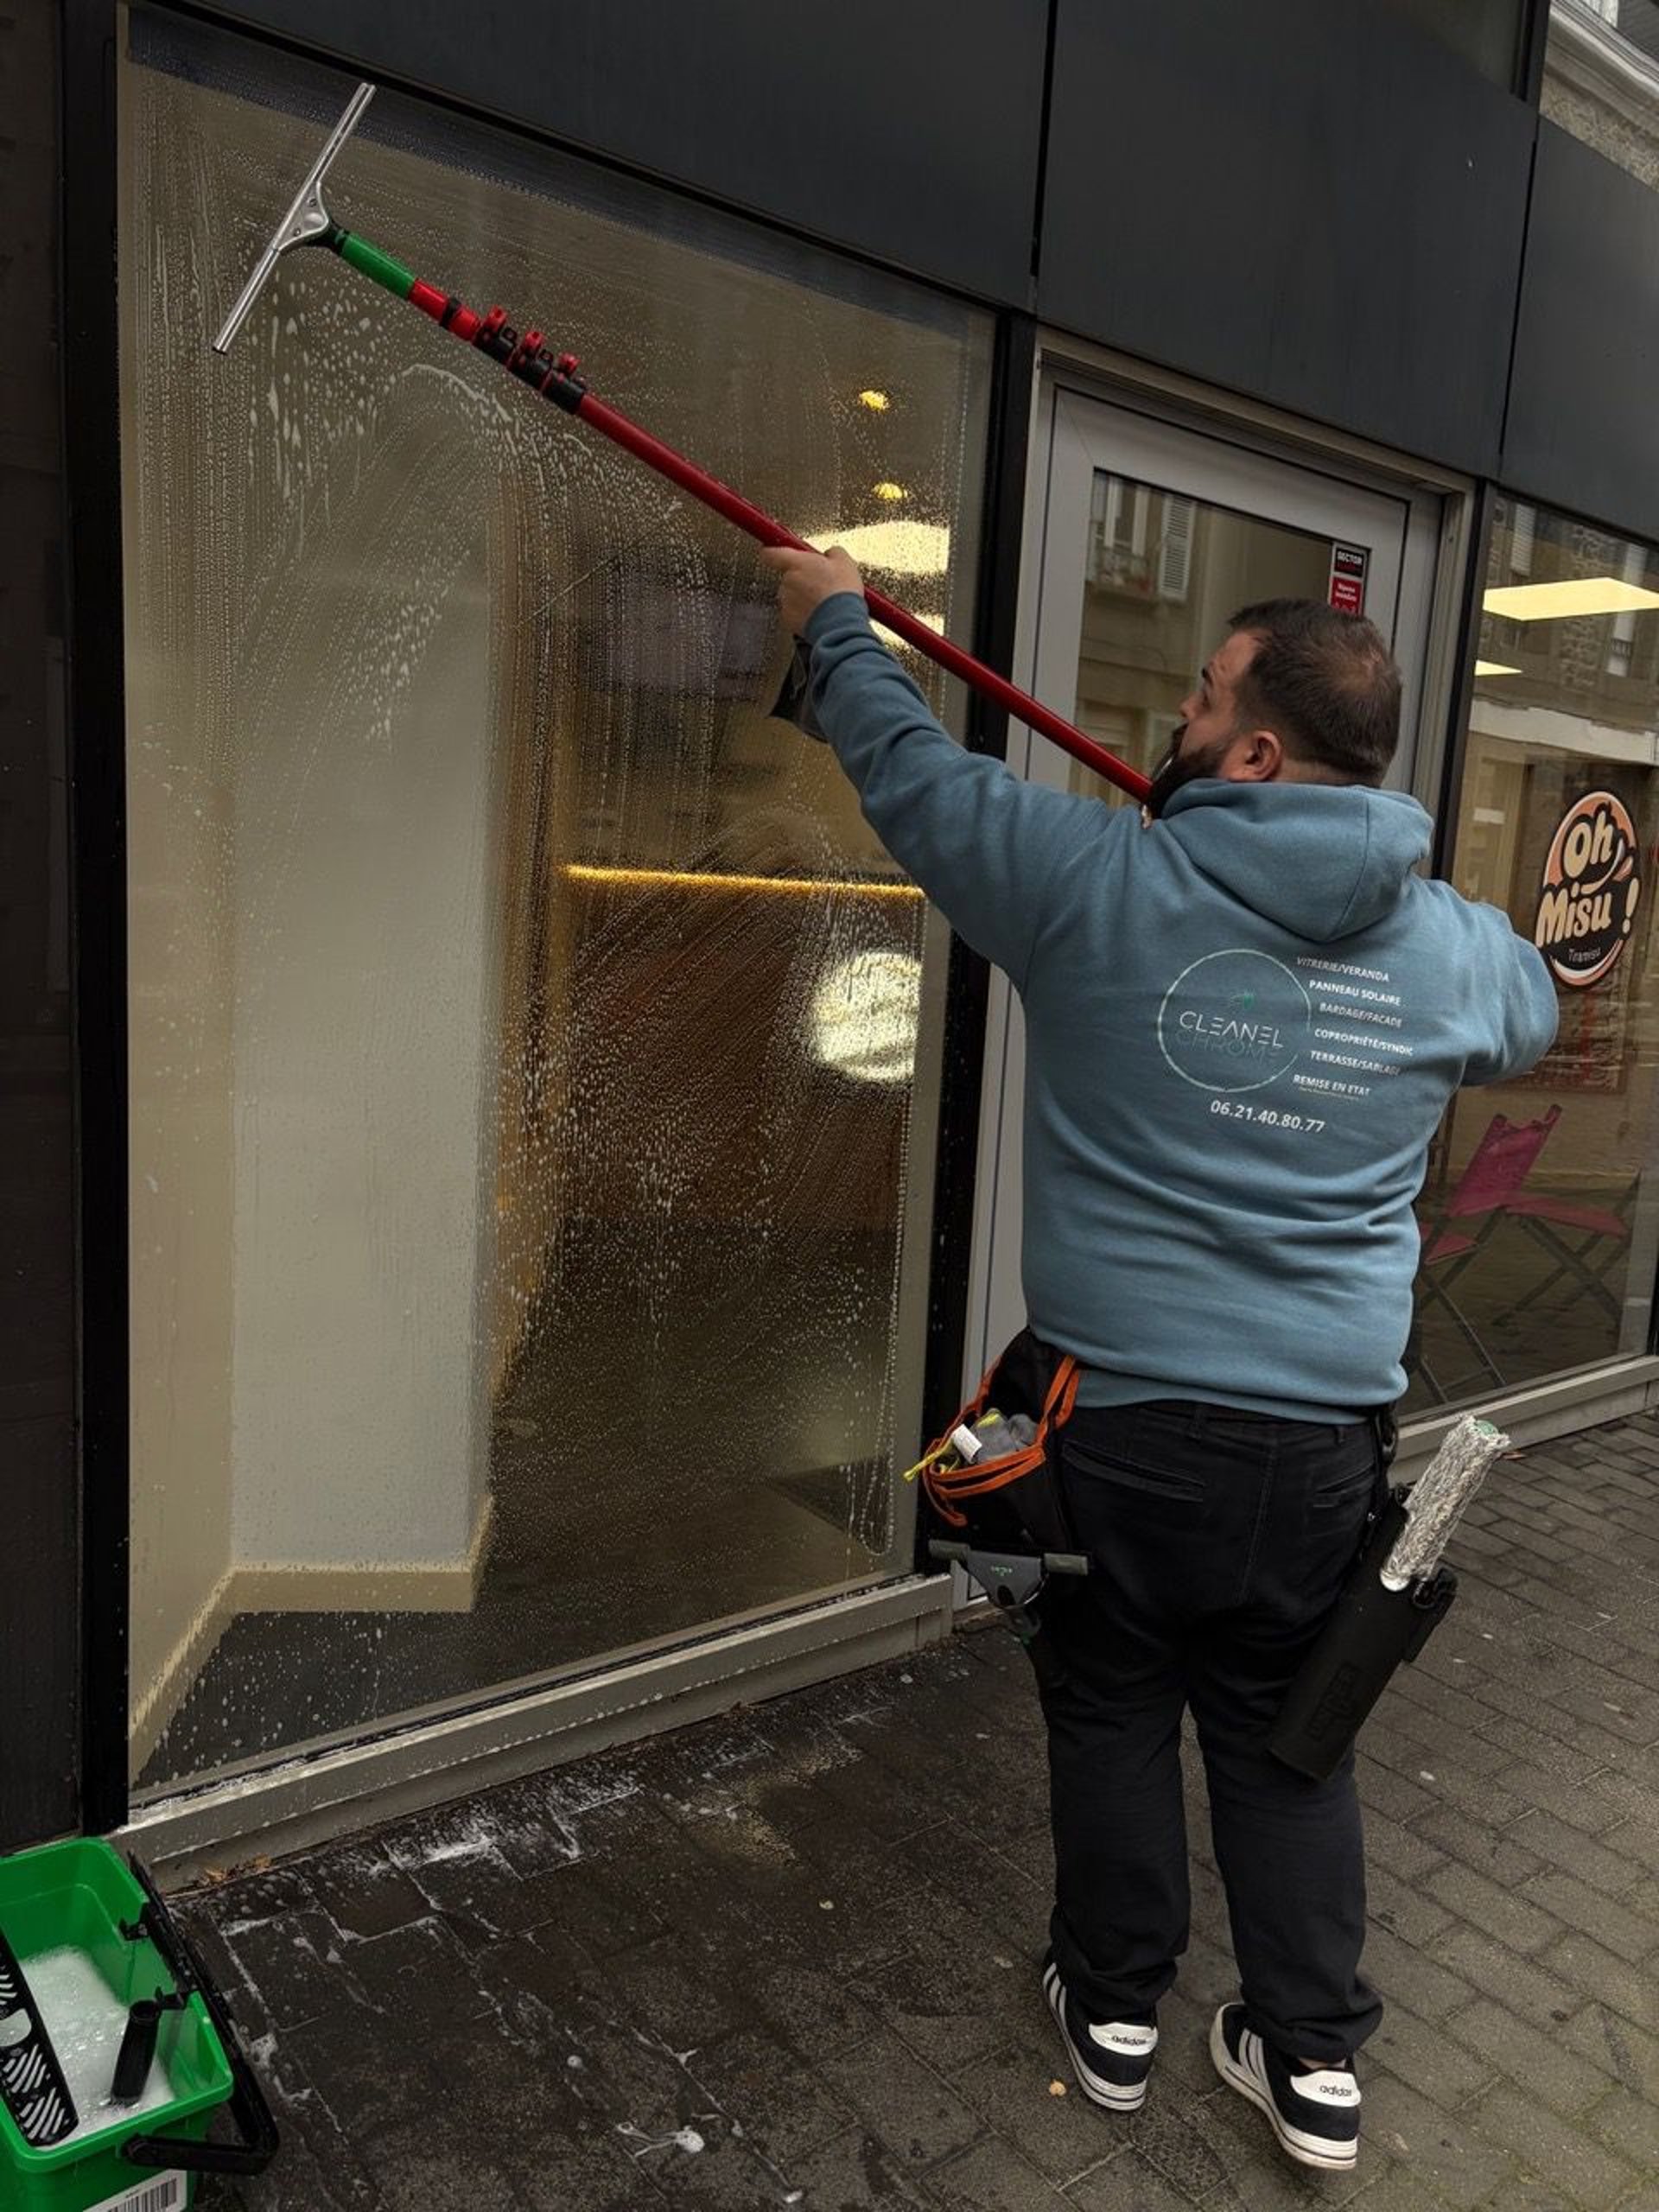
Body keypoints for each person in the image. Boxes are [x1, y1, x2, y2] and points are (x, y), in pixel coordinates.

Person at [760, 543, 1559, 2174]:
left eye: (1201, 701)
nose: (1173, 722)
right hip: (1318, 1455)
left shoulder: (1090, 881)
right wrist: (1407, 938)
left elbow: (912, 776)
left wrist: (834, 620)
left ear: (1254, 751)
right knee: (1285, 1739)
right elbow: (1533, 1003)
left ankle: (1115, 2014)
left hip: (1113, 1429)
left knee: (1115, 1705)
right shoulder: (1450, 948)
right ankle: (1311, 2063)